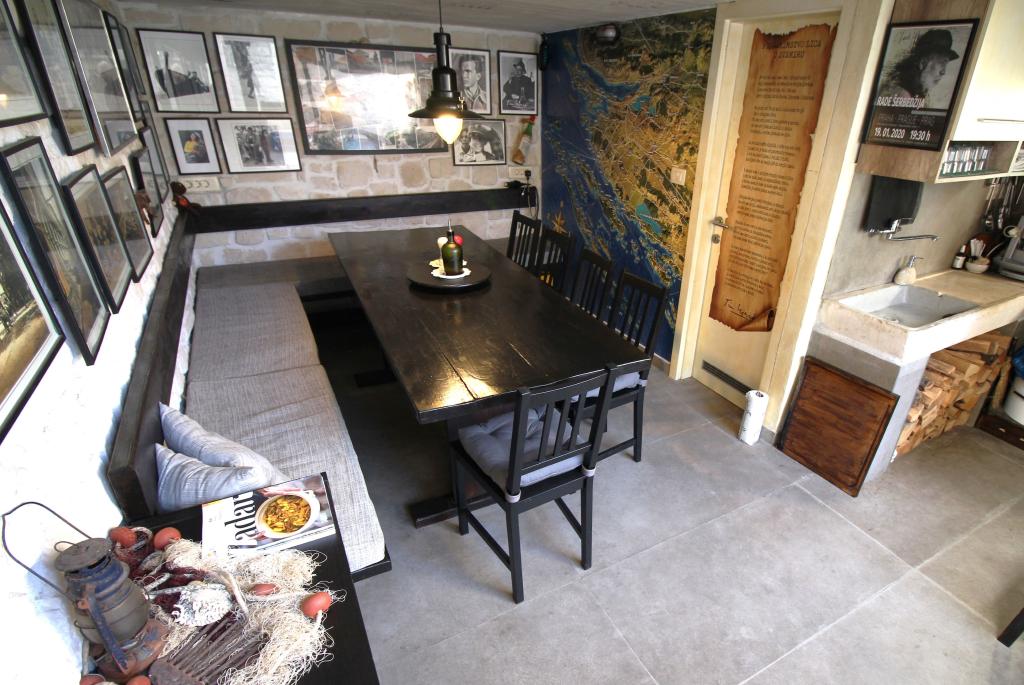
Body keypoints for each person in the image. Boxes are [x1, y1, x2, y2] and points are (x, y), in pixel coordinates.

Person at [878, 28, 959, 107]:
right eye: (941, 62)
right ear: (922, 63)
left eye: (946, 64)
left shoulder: (913, 92)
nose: (943, 72)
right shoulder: (903, 96)